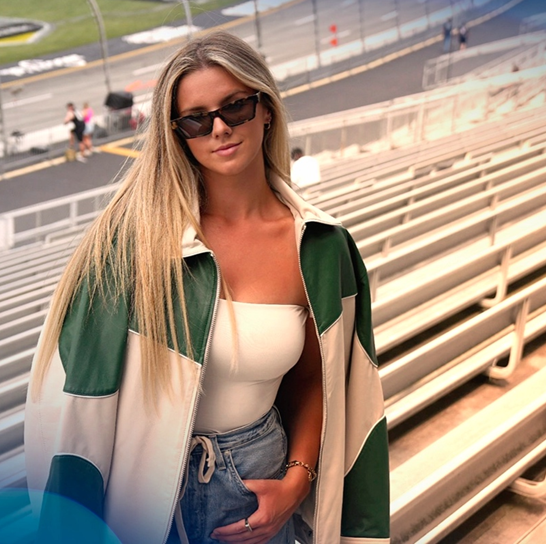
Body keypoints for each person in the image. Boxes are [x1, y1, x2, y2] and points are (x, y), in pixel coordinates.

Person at [25, 31, 389, 544]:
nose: (218, 128)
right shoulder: (129, 244)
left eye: (235, 107)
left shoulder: (320, 246)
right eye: (196, 119)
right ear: (177, 133)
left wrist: (296, 481)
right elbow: (78, 410)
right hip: (144, 493)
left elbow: (317, 379)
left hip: (258, 489)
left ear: (266, 109)